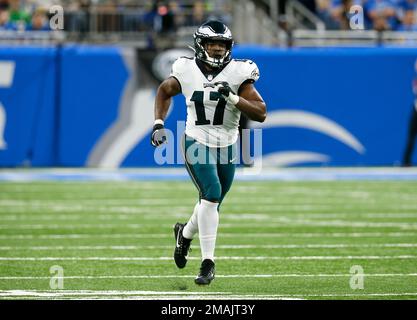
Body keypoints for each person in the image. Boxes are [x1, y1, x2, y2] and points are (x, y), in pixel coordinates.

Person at [150, 20, 267, 285]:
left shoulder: (240, 72)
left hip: (227, 144)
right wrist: (158, 124)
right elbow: (164, 91)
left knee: (211, 203)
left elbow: (260, 113)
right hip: (196, 140)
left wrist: (234, 98)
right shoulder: (185, 68)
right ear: (200, 45)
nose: (216, 49)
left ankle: (184, 234)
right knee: (211, 194)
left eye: (221, 44)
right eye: (212, 44)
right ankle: (208, 263)